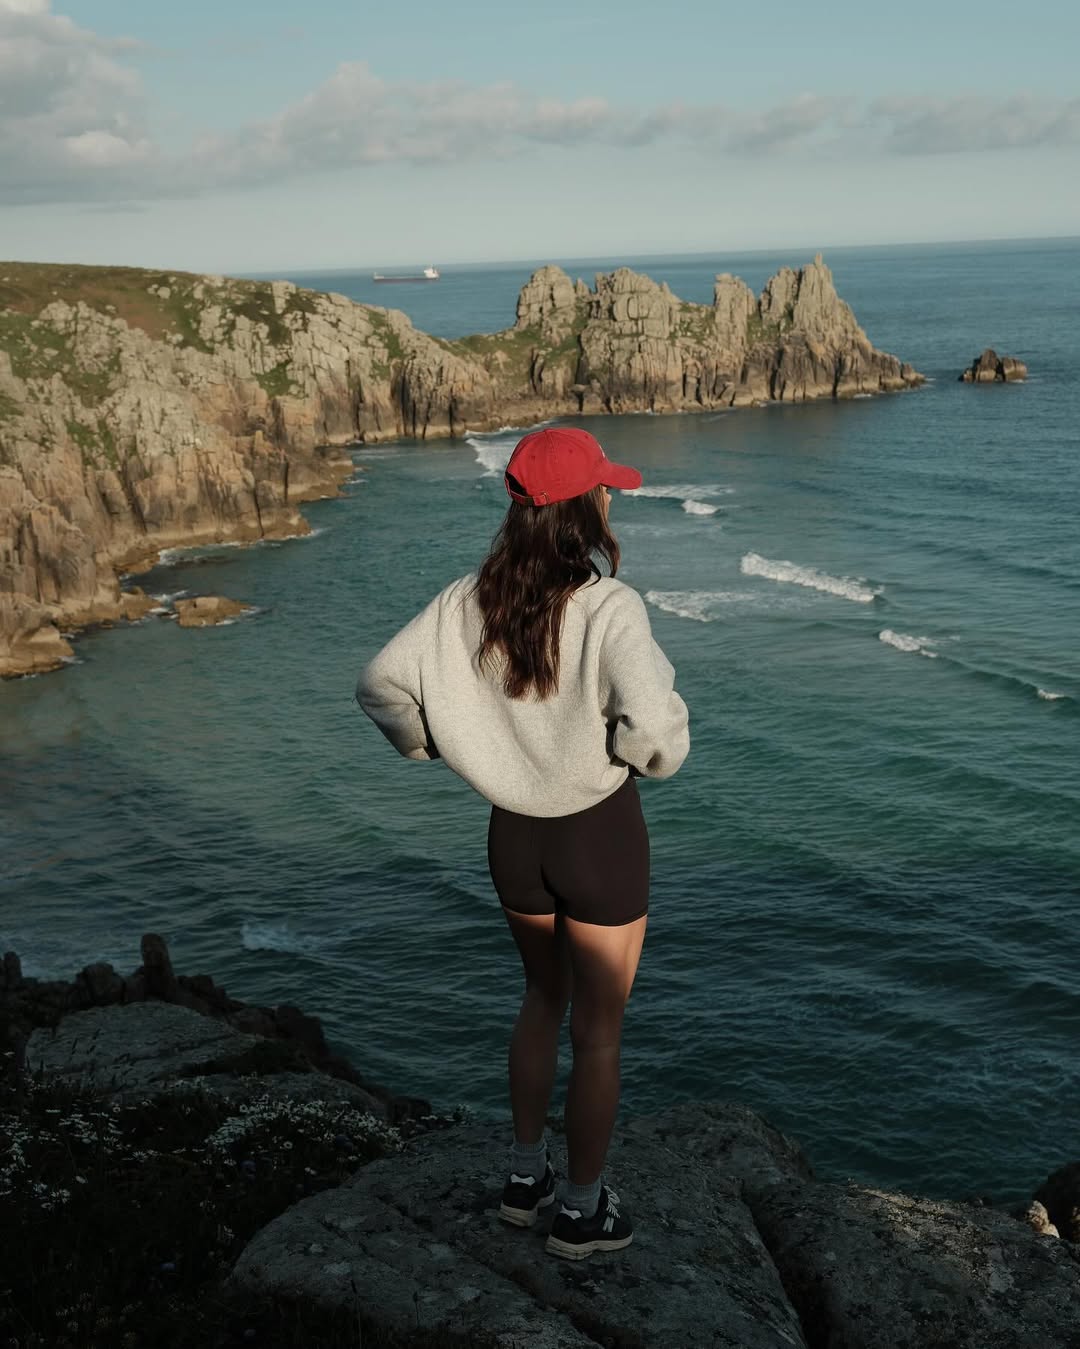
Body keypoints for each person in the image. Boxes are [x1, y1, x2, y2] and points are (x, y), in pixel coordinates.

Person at [356, 425, 690, 1260]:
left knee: (541, 1000)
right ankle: (581, 1211)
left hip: (513, 840)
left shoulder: (466, 601)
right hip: (599, 836)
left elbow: (379, 683)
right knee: (599, 1029)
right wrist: (631, 755)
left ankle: (523, 1178)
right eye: (606, 487)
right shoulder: (611, 605)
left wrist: (432, 741)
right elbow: (659, 734)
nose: (612, 497)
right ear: (587, 505)